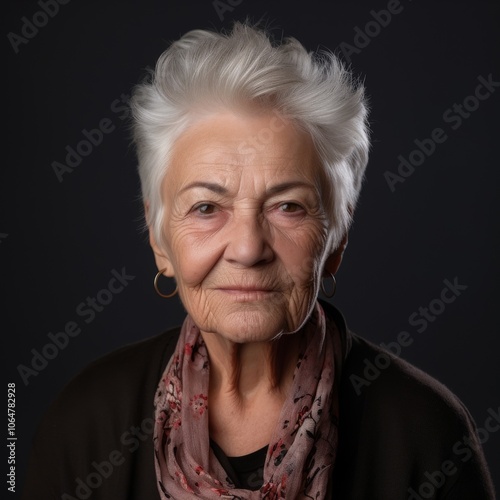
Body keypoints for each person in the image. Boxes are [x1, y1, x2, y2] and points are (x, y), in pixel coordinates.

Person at [21, 22, 495, 499]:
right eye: (206, 208)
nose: (248, 249)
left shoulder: (427, 433)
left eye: (288, 206)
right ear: (160, 240)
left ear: (337, 237)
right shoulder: (84, 423)